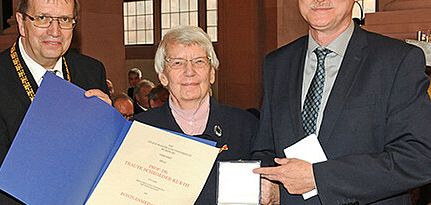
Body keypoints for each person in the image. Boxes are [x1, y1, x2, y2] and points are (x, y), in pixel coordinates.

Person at [252, 0, 431, 204]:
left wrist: (319, 178)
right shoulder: (277, 64)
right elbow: (265, 149)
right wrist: (269, 187)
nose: (320, 0)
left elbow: (419, 158)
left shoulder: (397, 60)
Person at [0, 0, 111, 203]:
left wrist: (107, 125)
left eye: (64, 19)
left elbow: (101, 161)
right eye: (42, 18)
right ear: (21, 22)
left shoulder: (91, 72)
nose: (55, 31)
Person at [133, 26, 258, 204]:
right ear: (163, 78)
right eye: (177, 62)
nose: (189, 71)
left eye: (199, 61)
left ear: (212, 73)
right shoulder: (139, 131)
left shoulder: (246, 126)